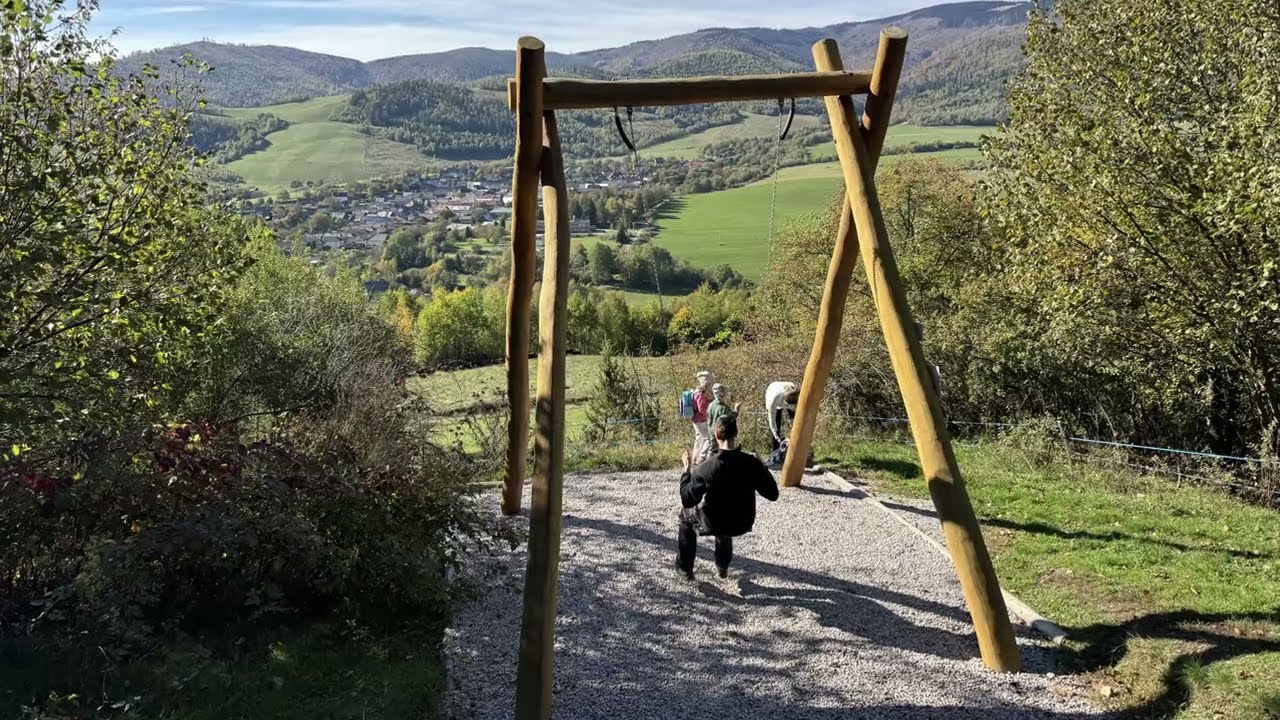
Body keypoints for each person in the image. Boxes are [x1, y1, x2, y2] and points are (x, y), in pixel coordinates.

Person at [677, 415, 779, 580]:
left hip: (714, 522)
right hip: (742, 522)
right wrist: (763, 466)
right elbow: (773, 495)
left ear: (716, 435)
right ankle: (722, 566)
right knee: (726, 515)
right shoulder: (751, 463)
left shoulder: (706, 468)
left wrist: (686, 471)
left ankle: (685, 568)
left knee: (686, 515)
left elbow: (688, 499)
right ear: (736, 433)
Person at [764, 380, 800, 451]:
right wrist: (777, 437)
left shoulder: (797, 393)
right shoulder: (773, 400)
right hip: (772, 391)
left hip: (789, 391)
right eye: (788, 405)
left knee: (796, 419)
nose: (791, 407)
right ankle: (775, 450)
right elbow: (772, 419)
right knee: (777, 424)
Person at [705, 383, 739, 454]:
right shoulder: (723, 408)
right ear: (723, 394)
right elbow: (731, 418)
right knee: (720, 454)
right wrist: (736, 409)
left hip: (711, 433)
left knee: (712, 451)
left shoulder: (710, 405)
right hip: (720, 435)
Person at [690, 370, 714, 465]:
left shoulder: (696, 392)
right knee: (709, 438)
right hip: (702, 420)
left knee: (699, 438)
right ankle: (701, 458)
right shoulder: (700, 394)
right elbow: (702, 409)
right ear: (707, 383)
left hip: (696, 419)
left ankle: (694, 459)